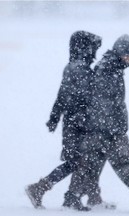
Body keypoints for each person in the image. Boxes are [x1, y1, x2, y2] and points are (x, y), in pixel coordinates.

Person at [63, 34, 129, 212]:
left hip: (100, 128)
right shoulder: (108, 71)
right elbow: (102, 102)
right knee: (128, 163)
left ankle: (72, 198)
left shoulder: (111, 67)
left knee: (89, 165)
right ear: (121, 52)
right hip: (107, 129)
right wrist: (112, 129)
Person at [25, 31, 114, 211]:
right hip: (78, 125)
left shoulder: (73, 66)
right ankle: (40, 188)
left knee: (86, 160)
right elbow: (82, 99)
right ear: (85, 48)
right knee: (78, 161)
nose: (95, 52)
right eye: (93, 48)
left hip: (75, 123)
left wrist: (55, 117)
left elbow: (62, 96)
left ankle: (92, 196)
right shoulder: (79, 69)